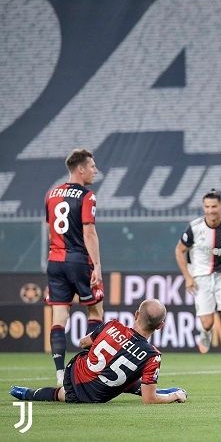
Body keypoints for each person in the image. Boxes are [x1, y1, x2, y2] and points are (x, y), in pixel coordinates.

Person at [10, 299, 187, 404]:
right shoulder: (152, 356)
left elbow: (82, 343)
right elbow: (149, 400)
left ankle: (27, 393)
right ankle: (168, 391)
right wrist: (174, 396)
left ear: (136, 315)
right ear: (160, 326)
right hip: (95, 393)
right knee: (129, 374)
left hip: (75, 372)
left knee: (65, 391)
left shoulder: (112, 326)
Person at [45, 148, 104, 386]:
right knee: (96, 312)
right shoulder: (87, 196)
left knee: (59, 318)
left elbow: (50, 226)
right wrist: (97, 265)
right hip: (79, 260)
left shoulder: (51, 194)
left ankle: (60, 375)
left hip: (55, 260)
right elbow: (88, 232)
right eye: (92, 166)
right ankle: (89, 372)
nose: (95, 170)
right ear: (80, 169)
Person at [175, 189, 221, 373]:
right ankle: (205, 332)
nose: (210, 211)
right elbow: (179, 251)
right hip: (201, 278)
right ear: (203, 207)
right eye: (207, 207)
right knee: (207, 323)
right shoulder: (194, 228)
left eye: (214, 206)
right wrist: (187, 277)